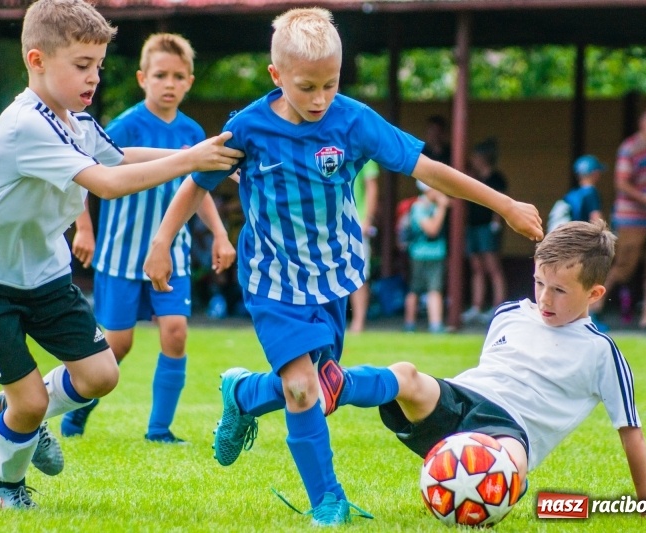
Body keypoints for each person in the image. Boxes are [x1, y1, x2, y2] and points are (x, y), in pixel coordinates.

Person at [143, 7, 542, 526]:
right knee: (303, 387)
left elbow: (428, 169)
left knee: (319, 388)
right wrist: (161, 241)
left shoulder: (354, 121)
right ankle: (327, 502)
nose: (319, 98)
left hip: (332, 280)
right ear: (276, 76)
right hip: (272, 282)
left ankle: (242, 393)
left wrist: (504, 205)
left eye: (330, 85)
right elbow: (196, 181)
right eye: (306, 87)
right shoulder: (247, 128)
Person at [0, 0, 242, 510]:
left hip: (43, 276)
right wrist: (191, 159)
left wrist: (200, 157)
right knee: (31, 402)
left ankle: (15, 413)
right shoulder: (26, 125)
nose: (94, 76)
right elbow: (107, 183)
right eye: (82, 65)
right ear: (37, 61)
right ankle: (1, 487)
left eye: (98, 65)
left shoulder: (74, 121)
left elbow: (117, 158)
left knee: (101, 375)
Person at [374, 220, 646, 510]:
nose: (545, 298)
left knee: (507, 464)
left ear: (594, 294)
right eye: (539, 282)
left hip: (507, 430)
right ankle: (345, 385)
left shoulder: (601, 352)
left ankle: (505, 481)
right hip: (462, 399)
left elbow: (631, 435)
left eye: (559, 290)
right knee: (403, 374)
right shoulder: (510, 313)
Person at [60, 33, 236, 443]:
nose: (169, 83)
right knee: (117, 345)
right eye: (160, 75)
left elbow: (198, 187)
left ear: (189, 82)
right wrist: (83, 228)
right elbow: (79, 173)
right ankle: (75, 413)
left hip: (172, 256)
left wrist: (220, 234)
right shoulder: (124, 126)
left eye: (178, 76)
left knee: (175, 333)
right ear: (143, 78)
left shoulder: (192, 131)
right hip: (120, 257)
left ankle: (159, 430)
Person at [592, 108, 646, 330]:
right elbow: (621, 182)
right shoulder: (630, 147)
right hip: (632, 218)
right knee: (624, 265)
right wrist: (645, 199)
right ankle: (595, 306)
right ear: (642, 124)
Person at [462, 138, 508, 325]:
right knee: (477, 267)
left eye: (476, 156)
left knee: (493, 267)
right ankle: (477, 306)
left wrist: (495, 224)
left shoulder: (497, 178)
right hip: (472, 226)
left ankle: (498, 306)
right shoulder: (475, 178)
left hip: (487, 228)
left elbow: (502, 203)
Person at [402, 181, 450, 333]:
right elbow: (432, 230)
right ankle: (411, 325)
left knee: (434, 289)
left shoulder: (432, 206)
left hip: (436, 254)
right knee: (417, 289)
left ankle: (434, 325)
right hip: (420, 254)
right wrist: (442, 207)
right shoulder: (419, 207)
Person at [348, 159, 379, 333]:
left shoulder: (365, 154)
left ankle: (358, 323)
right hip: (331, 223)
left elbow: (371, 186)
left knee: (359, 273)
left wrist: (367, 219)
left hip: (356, 222)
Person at [547, 154, 605, 232]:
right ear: (595, 173)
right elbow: (596, 220)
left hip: (566, 235)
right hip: (578, 236)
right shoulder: (591, 193)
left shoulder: (573, 193)